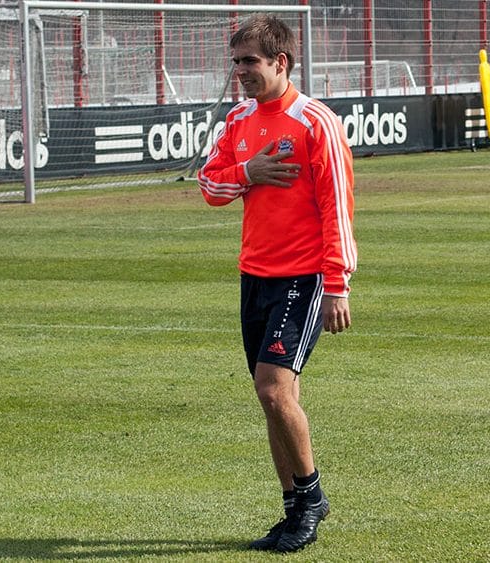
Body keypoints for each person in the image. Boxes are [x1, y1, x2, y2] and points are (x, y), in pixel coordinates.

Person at [198, 14, 356, 553]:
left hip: (303, 277)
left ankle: (311, 500)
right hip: (254, 276)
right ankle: (293, 512)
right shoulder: (239, 120)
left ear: (280, 62)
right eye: (236, 61)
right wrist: (249, 174)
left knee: (271, 387)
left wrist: (337, 284)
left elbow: (338, 208)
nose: (240, 71)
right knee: (276, 398)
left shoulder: (316, 123)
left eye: (250, 61)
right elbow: (209, 186)